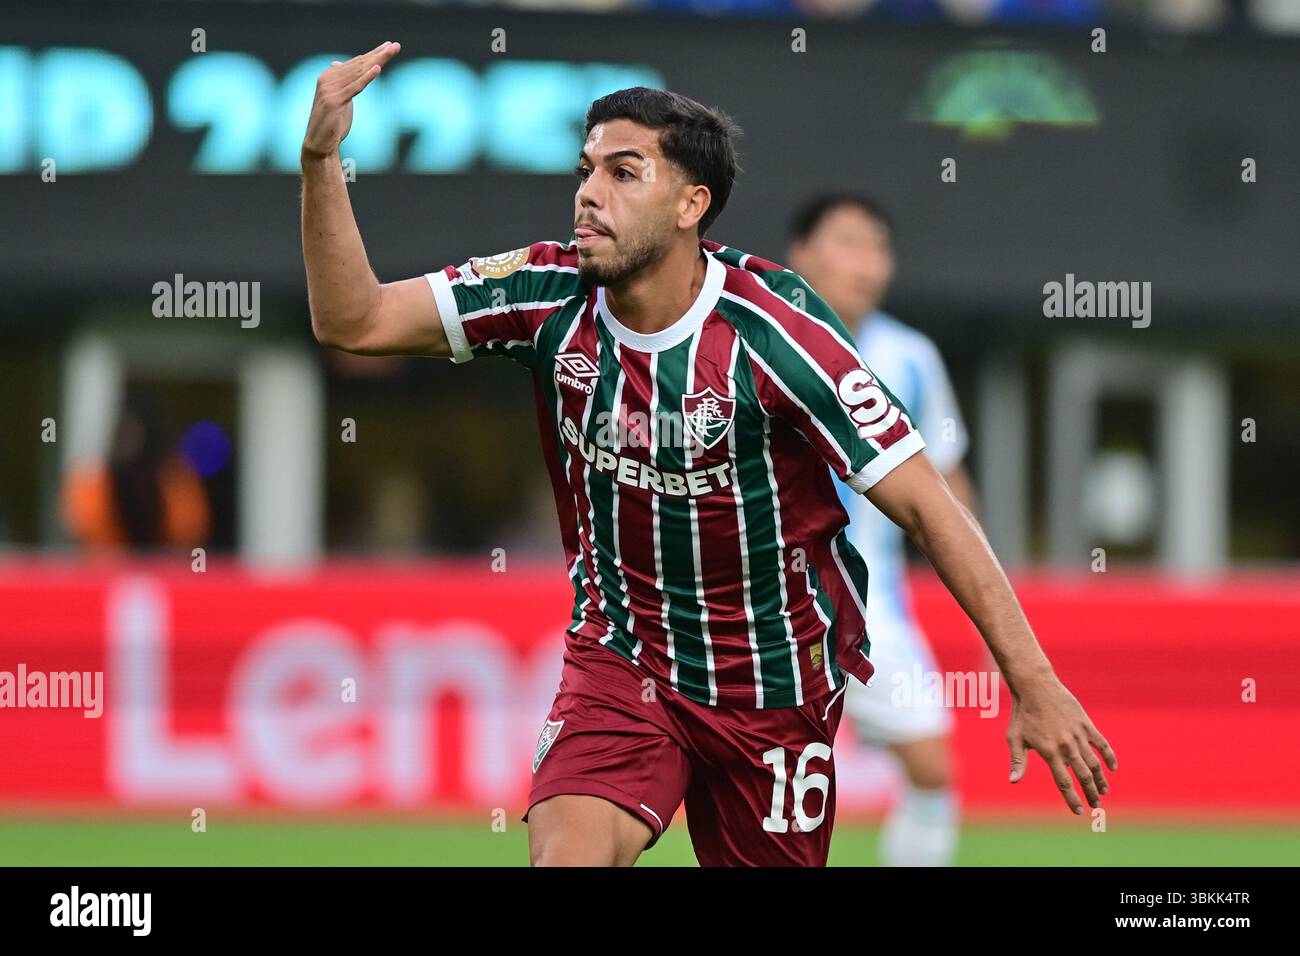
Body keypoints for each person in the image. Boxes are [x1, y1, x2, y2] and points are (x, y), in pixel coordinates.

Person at [300, 41, 1116, 867]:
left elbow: (929, 505)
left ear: (692, 205)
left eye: (624, 173)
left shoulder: (778, 334)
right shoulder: (545, 290)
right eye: (586, 170)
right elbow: (354, 322)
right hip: (620, 661)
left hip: (775, 683)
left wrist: (1033, 681)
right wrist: (322, 158)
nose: (587, 194)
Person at [788, 193, 972, 866]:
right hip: (766, 610)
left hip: (874, 615)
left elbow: (947, 487)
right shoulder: (757, 334)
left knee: (933, 774)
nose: (867, 262)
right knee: (751, 785)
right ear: (801, 254)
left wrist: (986, 589)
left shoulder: (913, 357)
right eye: (847, 242)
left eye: (879, 247)